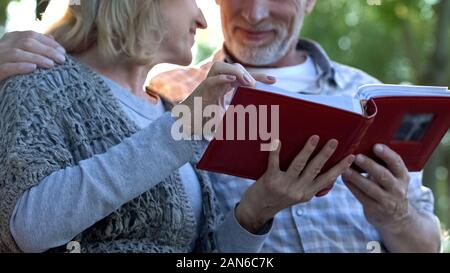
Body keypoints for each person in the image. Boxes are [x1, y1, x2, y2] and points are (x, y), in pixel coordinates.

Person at [0, 0, 441, 253]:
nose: (254, 11)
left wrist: (258, 209)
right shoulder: (183, 100)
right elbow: (29, 223)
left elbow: (205, 255)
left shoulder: (369, 96)